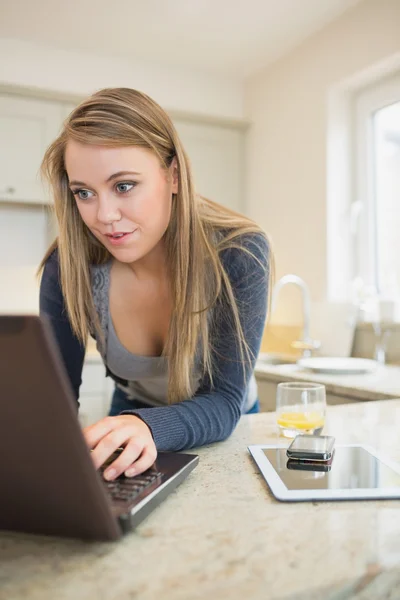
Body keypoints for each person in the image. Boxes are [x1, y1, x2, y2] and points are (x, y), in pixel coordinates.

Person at [38, 87, 272, 482]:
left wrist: (149, 427)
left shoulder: (239, 253)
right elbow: (54, 401)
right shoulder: (69, 265)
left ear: (174, 175)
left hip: (224, 427)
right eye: (84, 193)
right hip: (132, 420)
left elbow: (224, 400)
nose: (105, 215)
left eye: (124, 185)